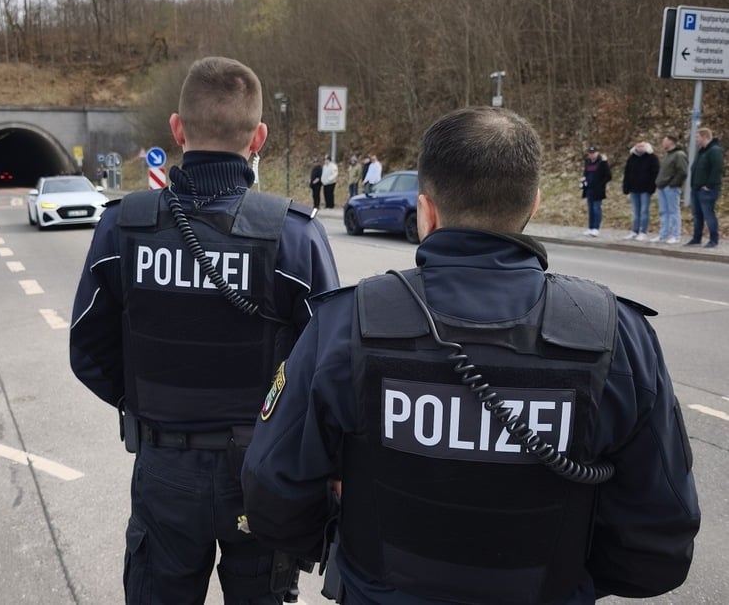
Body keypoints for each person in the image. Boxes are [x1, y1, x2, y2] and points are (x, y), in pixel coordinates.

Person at [242, 107, 700, 605]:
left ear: (426, 212)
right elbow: (661, 538)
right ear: (533, 206)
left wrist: (345, 551)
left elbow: (272, 489)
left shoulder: (344, 325)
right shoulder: (617, 336)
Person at [69, 56, 339, 604]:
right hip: (264, 475)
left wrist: (147, 401)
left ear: (176, 128)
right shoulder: (294, 237)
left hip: (164, 467)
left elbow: (88, 349)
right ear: (258, 137)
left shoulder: (124, 226)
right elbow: (329, 368)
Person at [686, 127, 722, 248]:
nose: (696, 139)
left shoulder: (714, 150)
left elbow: (717, 169)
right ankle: (697, 238)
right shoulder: (702, 151)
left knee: (708, 214)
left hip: (707, 190)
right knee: (697, 215)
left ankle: (713, 239)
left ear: (704, 137)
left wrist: (709, 185)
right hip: (696, 188)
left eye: (697, 137)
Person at [653, 134, 688, 244]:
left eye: (665, 141)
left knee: (673, 211)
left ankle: (675, 235)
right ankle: (663, 234)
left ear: (671, 142)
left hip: (671, 187)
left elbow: (683, 171)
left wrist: (673, 184)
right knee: (663, 212)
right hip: (662, 186)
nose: (663, 143)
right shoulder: (667, 155)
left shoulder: (679, 154)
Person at [621, 141, 659, 241]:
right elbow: (627, 173)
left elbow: (655, 173)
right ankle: (635, 231)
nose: (640, 148)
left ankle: (643, 231)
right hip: (634, 188)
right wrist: (626, 186)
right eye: (638, 146)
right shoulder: (632, 158)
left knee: (644, 211)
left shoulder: (652, 158)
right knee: (635, 211)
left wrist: (652, 187)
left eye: (642, 146)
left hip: (645, 189)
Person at [581, 145, 611, 236]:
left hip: (598, 189)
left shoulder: (602, 162)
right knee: (590, 209)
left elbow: (608, 176)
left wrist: (601, 184)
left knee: (596, 208)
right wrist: (583, 181)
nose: (592, 155)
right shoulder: (587, 162)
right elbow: (585, 173)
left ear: (597, 153)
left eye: (593, 153)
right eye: (590, 153)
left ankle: (596, 228)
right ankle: (590, 227)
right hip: (589, 188)